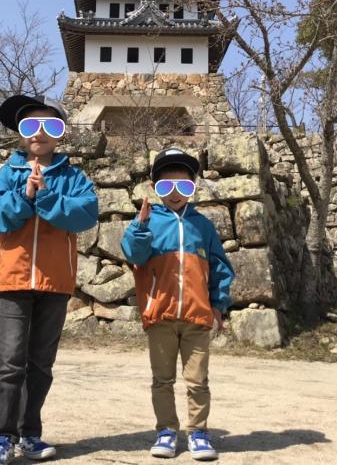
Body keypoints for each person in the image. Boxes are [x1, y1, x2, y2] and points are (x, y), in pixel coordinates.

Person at [0, 95, 98, 465]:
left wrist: (46, 197)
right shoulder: (7, 174)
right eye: (30, 125)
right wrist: (24, 194)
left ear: (60, 135)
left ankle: (29, 433)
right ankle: (1, 438)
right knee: (10, 361)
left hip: (55, 282)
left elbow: (85, 214)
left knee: (41, 364)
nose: (39, 133)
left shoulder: (74, 177)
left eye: (50, 126)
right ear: (20, 133)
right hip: (12, 280)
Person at [121, 148, 234, 461]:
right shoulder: (147, 222)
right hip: (160, 316)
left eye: (183, 186)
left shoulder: (203, 226)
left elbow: (220, 268)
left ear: (192, 187)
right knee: (162, 380)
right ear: (154, 188)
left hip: (197, 317)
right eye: (165, 186)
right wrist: (140, 228)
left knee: (198, 381)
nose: (174, 193)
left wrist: (218, 304)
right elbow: (134, 254)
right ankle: (166, 431)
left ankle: (198, 433)